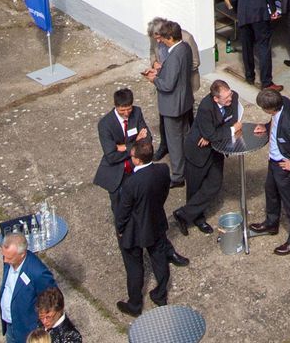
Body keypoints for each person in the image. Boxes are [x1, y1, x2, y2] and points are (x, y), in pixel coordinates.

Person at [113, 140, 187, 316]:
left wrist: (120, 229)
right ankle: (160, 294)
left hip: (134, 229)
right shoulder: (162, 170)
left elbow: (123, 212)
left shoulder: (131, 183)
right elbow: (163, 194)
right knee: (159, 258)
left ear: (137, 159)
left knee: (134, 266)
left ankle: (135, 304)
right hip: (155, 221)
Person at [246, 87, 290, 255]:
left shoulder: (289, 125)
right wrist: (267, 127)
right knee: (270, 191)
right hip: (274, 162)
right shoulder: (283, 102)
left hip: (284, 167)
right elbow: (275, 123)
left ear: (270, 108)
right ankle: (271, 223)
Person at [172, 80, 241, 236]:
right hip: (197, 151)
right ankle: (196, 217)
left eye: (230, 94)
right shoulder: (205, 107)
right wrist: (226, 131)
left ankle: (183, 214)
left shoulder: (233, 97)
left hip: (216, 151)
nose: (230, 99)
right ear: (216, 99)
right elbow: (215, 132)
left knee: (214, 184)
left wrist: (213, 135)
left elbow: (232, 119)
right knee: (194, 187)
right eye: (226, 98)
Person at [146, 21, 194, 187]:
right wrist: (161, 71)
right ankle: (189, 167)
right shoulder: (185, 48)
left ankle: (178, 176)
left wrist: (154, 80)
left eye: (164, 38)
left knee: (174, 143)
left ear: (171, 38)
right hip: (184, 101)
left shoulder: (174, 55)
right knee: (185, 137)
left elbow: (167, 85)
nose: (162, 41)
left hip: (173, 106)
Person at [227, 0, 280, 90]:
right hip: (259, 12)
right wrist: (273, 8)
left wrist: (239, 10)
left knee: (247, 46)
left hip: (244, 14)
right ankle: (266, 81)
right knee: (263, 46)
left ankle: (249, 76)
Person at [93, 87, 152, 214]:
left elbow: (147, 140)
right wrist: (134, 143)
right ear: (115, 106)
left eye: (129, 109)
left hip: (135, 165)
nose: (126, 113)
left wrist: (122, 147)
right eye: (122, 110)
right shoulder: (105, 124)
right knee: (119, 206)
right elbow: (111, 156)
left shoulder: (137, 112)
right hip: (117, 170)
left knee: (140, 202)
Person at [0, 232, 56, 343]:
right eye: (4, 256)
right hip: (10, 327)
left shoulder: (38, 272)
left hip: (28, 332)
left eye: (9, 257)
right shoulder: (9, 259)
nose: (5, 260)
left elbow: (52, 300)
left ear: (22, 254)